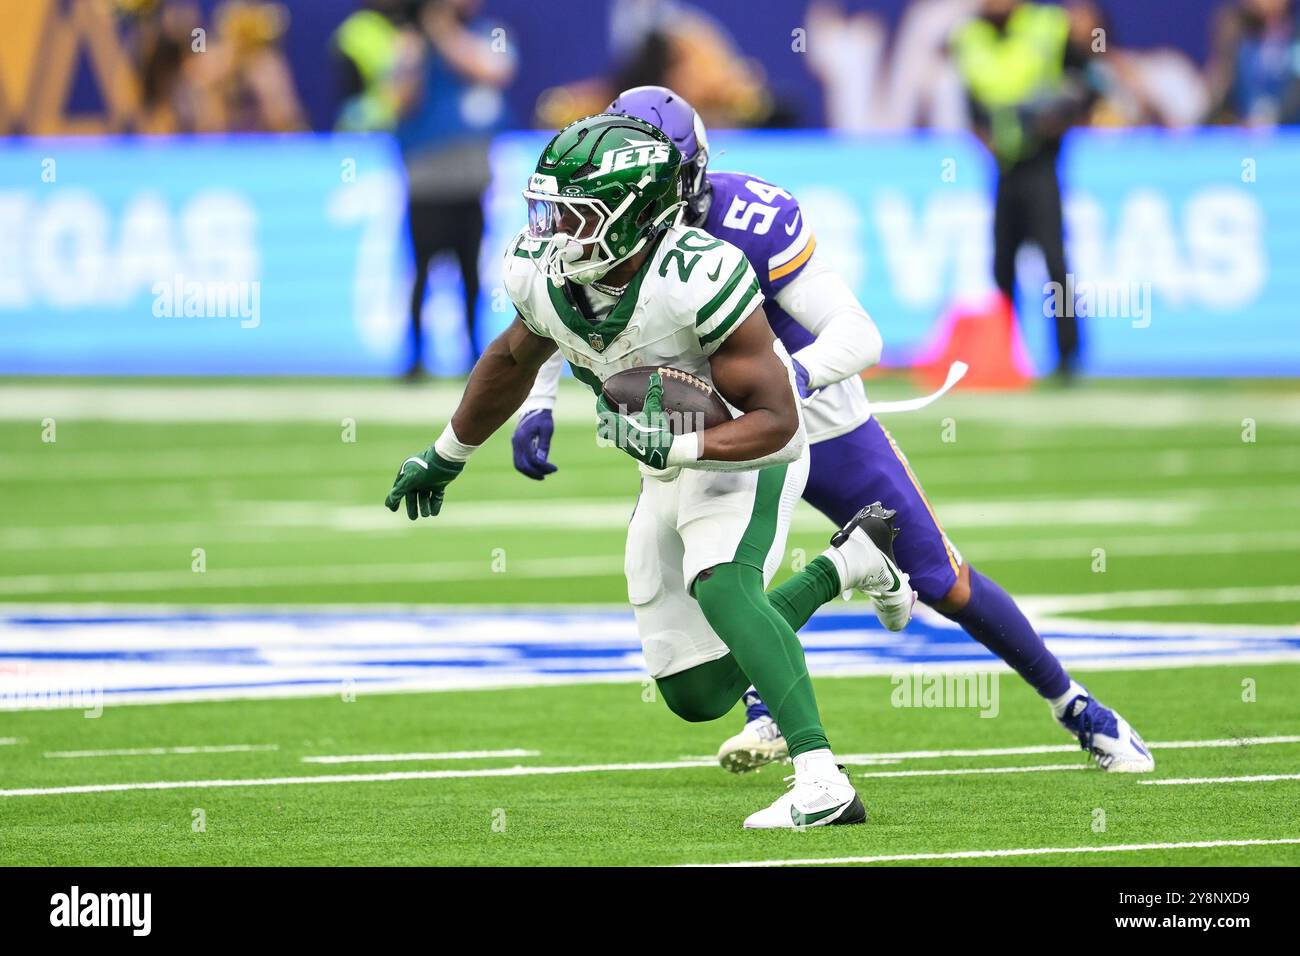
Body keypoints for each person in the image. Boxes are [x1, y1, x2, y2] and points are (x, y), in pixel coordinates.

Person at [512, 86, 1155, 776]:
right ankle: (790, 677)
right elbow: (561, 311)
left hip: (805, 408)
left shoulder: (748, 217)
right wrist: (536, 400)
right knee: (721, 589)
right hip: (705, 419)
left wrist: (780, 389)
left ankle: (1075, 704)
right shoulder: (599, 227)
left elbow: (857, 332)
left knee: (940, 576)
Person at [384, 113, 918, 829]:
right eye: (548, 210)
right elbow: (513, 358)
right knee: (696, 692)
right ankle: (848, 564)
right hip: (663, 463)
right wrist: (446, 455)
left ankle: (823, 781)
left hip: (741, 445)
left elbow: (780, 422)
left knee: (724, 583)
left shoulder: (698, 274)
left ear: (635, 214)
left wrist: (686, 448)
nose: (553, 229)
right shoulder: (544, 275)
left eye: (575, 213)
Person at [952, 0, 1096, 379]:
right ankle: (1004, 356)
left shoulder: (1050, 25)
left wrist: (1060, 117)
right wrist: (983, 136)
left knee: (1054, 259)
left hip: (1042, 160)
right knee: (1002, 262)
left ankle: (1069, 357)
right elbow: (971, 100)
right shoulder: (970, 36)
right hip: (1003, 164)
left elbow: (1086, 79)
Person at [392, 0, 515, 378]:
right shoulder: (409, 42)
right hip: (427, 181)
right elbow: (398, 100)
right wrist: (413, 53)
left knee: (470, 273)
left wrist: (440, 28)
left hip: (469, 180)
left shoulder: (487, 33)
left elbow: (494, 70)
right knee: (421, 272)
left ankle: (473, 353)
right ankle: (414, 357)